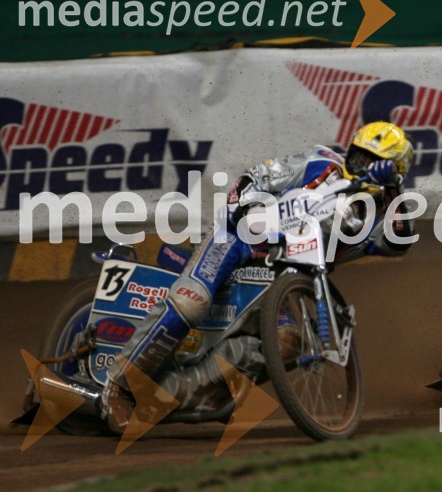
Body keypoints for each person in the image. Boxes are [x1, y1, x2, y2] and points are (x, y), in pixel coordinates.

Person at [102, 121, 415, 431]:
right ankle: (119, 385)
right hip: (237, 239)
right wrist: (245, 205)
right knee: (191, 302)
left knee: (290, 342)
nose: (361, 166)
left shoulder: (378, 215)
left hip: (283, 274)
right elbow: (257, 176)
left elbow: (399, 243)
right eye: (359, 156)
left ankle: (179, 395)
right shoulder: (322, 161)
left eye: (374, 164)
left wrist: (393, 189)